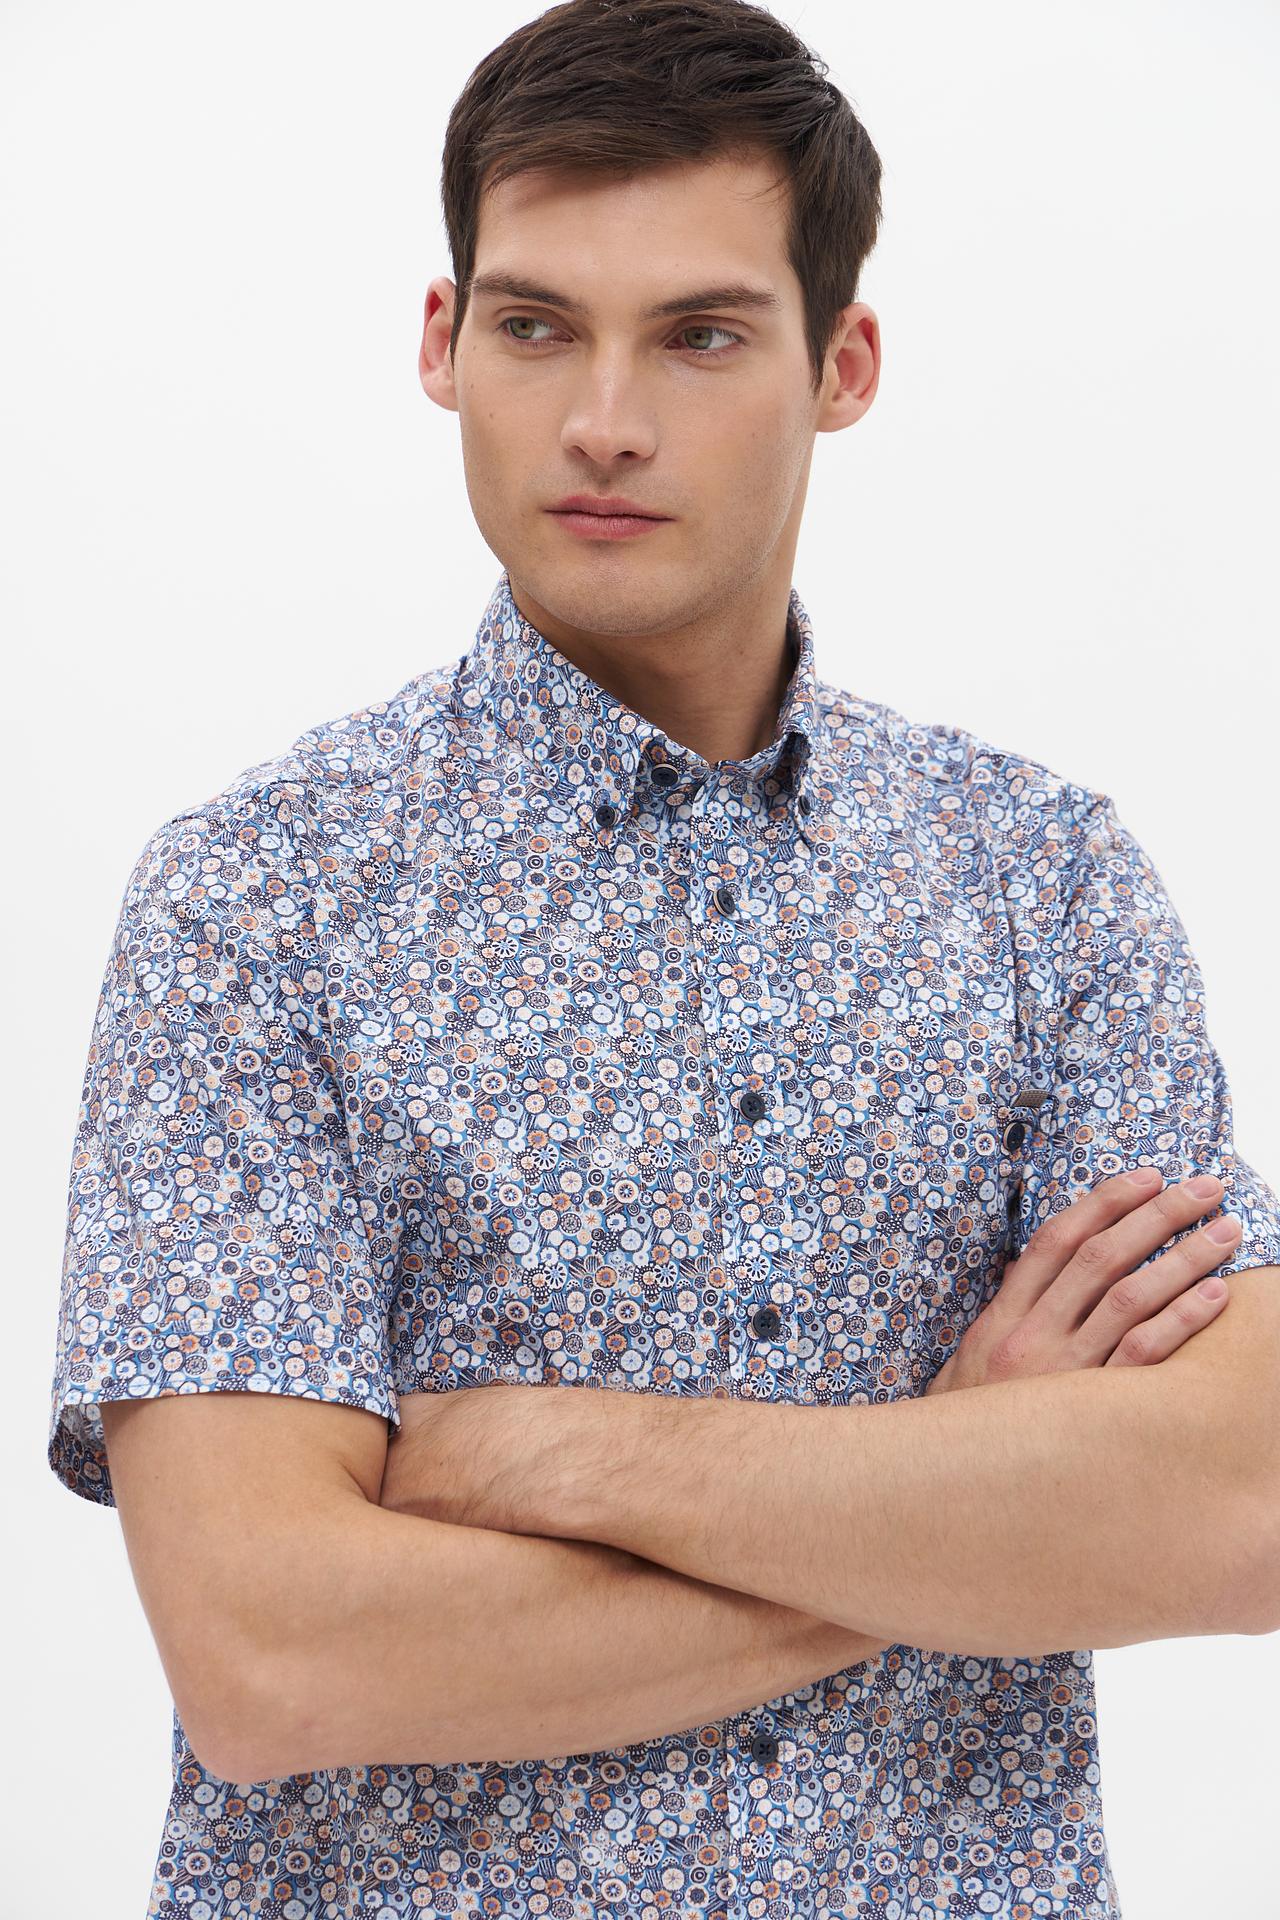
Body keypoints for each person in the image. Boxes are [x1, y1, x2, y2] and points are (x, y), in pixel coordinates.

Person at [47, 2, 1280, 1915]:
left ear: (841, 364)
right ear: (443, 344)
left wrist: (546, 1455)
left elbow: (1241, 1510)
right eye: (537, 326)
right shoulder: (257, 906)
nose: (604, 419)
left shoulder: (1045, 887)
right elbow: (274, 1659)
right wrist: (960, 1495)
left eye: (701, 335)